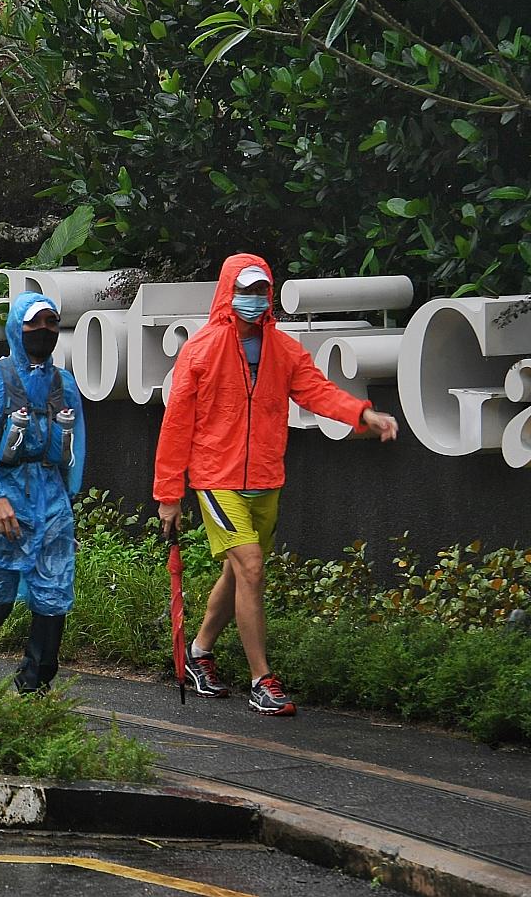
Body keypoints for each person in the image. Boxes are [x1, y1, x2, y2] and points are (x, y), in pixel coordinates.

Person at [154, 253, 400, 716]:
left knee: (237, 570)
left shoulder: (282, 349)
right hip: (216, 478)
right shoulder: (201, 349)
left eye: (261, 290)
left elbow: (316, 390)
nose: (254, 299)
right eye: (245, 290)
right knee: (250, 567)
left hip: (265, 478)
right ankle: (261, 680)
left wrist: (362, 414)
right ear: (229, 292)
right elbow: (176, 424)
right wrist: (169, 495)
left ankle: (199, 652)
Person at [0, 292, 85, 693]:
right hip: (4, 498)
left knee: (54, 594)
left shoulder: (65, 385)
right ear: (15, 328)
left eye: (51, 324)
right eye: (33, 324)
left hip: (51, 502)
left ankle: (34, 686)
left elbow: (74, 449)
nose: (43, 332)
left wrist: (68, 506)